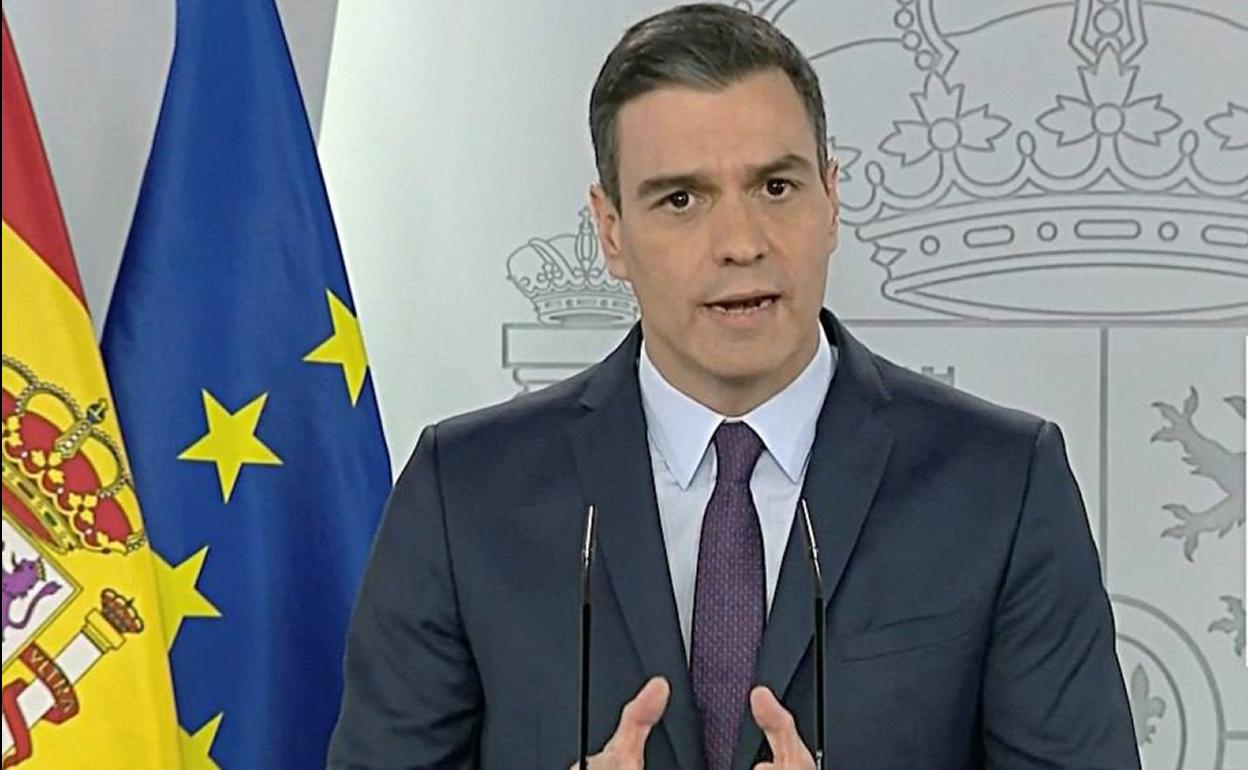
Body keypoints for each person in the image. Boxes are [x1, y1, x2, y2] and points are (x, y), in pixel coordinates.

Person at [327, 5, 1140, 768]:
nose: (741, 242)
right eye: (681, 199)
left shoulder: (1000, 484)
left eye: (776, 188)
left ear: (831, 200)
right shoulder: (465, 493)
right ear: (611, 230)